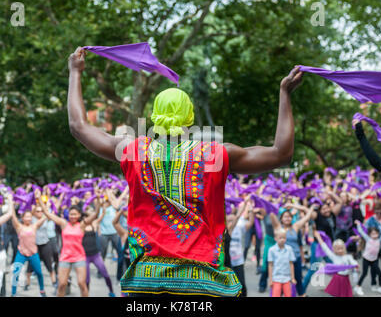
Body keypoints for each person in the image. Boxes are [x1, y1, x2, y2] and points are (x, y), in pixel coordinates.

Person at [67, 46, 303, 296]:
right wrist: (285, 94)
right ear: (190, 117)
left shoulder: (132, 150)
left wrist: (75, 72)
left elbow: (78, 127)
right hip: (203, 281)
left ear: (154, 116)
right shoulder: (216, 154)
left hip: (147, 282)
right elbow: (281, 154)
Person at [37, 189, 98, 297]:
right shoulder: (64, 223)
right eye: (71, 214)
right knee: (62, 284)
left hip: (79, 257)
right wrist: (39, 198)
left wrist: (98, 200)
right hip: (65, 257)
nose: (73, 216)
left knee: (82, 284)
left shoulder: (82, 225)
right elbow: (46, 213)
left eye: (75, 214)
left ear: (79, 215)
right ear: (68, 214)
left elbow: (96, 214)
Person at [270, 203, 315, 296]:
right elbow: (271, 213)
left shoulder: (295, 226)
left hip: (296, 257)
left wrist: (295, 205)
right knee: (281, 281)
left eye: (289, 216)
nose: (287, 218)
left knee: (297, 279)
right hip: (282, 259)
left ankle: (302, 294)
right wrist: (279, 204)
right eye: (285, 217)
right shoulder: (278, 227)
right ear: (281, 218)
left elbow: (307, 217)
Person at [302, 192, 343, 292]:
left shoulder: (332, 214)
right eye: (323, 209)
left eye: (327, 208)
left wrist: (330, 193)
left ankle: (336, 289)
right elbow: (304, 209)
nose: (326, 210)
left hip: (329, 246)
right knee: (313, 269)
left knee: (336, 268)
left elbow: (340, 202)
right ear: (319, 211)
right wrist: (312, 207)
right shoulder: (317, 217)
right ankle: (301, 291)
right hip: (318, 246)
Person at [10, 192, 47, 297]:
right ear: (22, 218)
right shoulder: (19, 227)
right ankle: (13, 293)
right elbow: (13, 216)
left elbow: (46, 215)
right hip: (21, 253)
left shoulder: (35, 226)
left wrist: (40, 200)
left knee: (39, 273)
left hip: (33, 253)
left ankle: (42, 291)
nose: (28, 219)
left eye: (30, 217)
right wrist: (11, 204)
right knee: (16, 273)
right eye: (26, 217)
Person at [24, 203, 58, 294]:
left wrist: (45, 208)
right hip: (35, 245)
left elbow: (51, 213)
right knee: (30, 266)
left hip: (45, 244)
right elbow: (31, 215)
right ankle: (27, 283)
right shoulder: (32, 220)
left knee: (49, 265)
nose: (40, 213)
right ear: (34, 212)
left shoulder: (46, 218)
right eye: (37, 211)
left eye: (41, 211)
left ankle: (54, 282)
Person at [82, 205, 115, 297]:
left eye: (89, 216)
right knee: (87, 280)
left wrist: (100, 202)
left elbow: (102, 214)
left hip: (95, 255)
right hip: (85, 256)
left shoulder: (94, 224)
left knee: (106, 275)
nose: (88, 218)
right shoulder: (81, 226)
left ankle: (111, 291)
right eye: (86, 216)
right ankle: (86, 294)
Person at [314, 231, 358, 297]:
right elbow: (325, 248)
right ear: (334, 249)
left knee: (344, 295)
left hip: (345, 279)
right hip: (337, 279)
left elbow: (353, 262)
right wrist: (318, 237)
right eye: (338, 249)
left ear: (344, 248)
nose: (340, 250)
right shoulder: (333, 256)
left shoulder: (348, 257)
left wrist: (356, 265)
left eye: (341, 248)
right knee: (334, 294)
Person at [225, 198, 254, 297]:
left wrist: (249, 208)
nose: (231, 222)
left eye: (232, 220)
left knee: (242, 286)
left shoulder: (239, 227)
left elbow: (250, 222)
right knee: (232, 286)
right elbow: (237, 216)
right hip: (228, 262)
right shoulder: (226, 230)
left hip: (238, 261)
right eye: (228, 220)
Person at [353, 219, 381, 295]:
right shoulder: (368, 239)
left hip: (374, 260)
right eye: (373, 234)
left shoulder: (379, 240)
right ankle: (358, 286)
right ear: (369, 235)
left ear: (378, 234)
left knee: (379, 273)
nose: (375, 235)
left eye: (376, 234)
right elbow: (361, 232)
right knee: (364, 273)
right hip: (366, 259)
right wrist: (358, 224)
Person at [268, 228, 296, 297]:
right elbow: (270, 265)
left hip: (287, 278)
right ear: (275, 238)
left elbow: (291, 264)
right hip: (276, 278)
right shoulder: (272, 250)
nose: (282, 239)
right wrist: (270, 279)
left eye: (284, 237)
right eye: (280, 238)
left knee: (288, 295)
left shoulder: (289, 249)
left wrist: (292, 278)